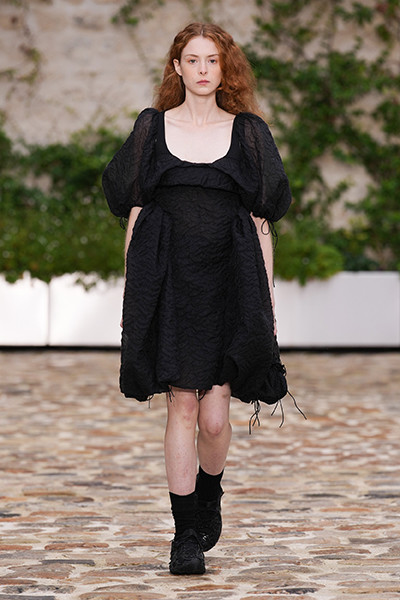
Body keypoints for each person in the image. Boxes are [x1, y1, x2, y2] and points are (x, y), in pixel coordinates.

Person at [102, 22, 292, 576]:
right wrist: (134, 295)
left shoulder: (249, 133)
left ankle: (210, 492)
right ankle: (185, 535)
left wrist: (267, 301)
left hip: (231, 284)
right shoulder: (152, 128)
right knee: (182, 406)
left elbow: (261, 221)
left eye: (212, 60)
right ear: (177, 68)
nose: (203, 69)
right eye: (193, 60)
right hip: (170, 283)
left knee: (213, 419)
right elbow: (135, 210)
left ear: (224, 67)